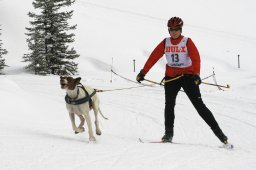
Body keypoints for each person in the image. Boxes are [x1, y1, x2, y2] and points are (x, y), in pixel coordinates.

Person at [136, 16, 230, 145]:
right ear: (169, 30)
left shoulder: (187, 42)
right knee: (169, 105)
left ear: (181, 29)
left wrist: (196, 74)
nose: (174, 32)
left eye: (177, 29)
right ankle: (168, 134)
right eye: (172, 29)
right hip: (171, 78)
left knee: (199, 106)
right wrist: (143, 72)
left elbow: (196, 58)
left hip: (188, 77)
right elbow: (153, 57)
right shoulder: (165, 42)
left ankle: (221, 135)